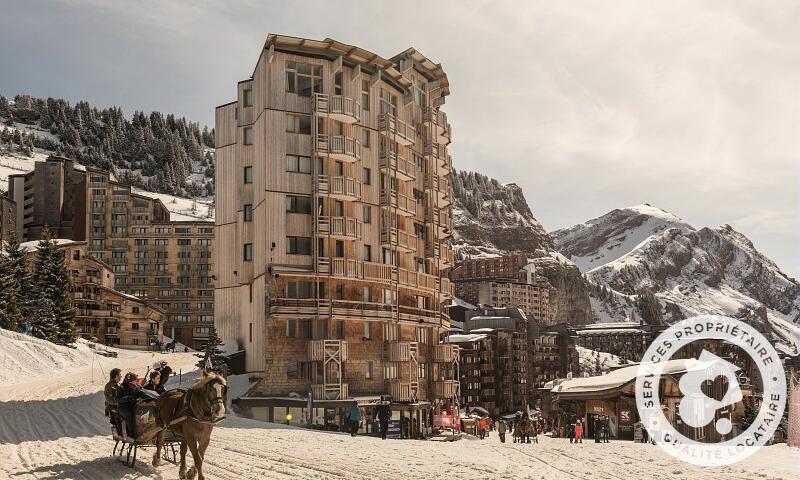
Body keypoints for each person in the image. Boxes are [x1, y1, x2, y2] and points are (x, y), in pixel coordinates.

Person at [114, 372, 157, 439]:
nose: (136, 382)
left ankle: (145, 432)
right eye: (134, 380)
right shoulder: (121, 388)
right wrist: (128, 398)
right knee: (130, 415)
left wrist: (153, 398)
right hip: (123, 408)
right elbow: (117, 399)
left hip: (134, 407)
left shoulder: (135, 388)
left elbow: (143, 394)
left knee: (144, 415)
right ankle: (132, 434)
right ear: (130, 381)